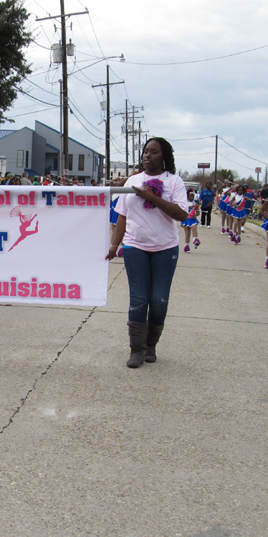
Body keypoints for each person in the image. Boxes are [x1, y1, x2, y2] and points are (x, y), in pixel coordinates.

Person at [106, 137, 188, 369]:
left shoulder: (174, 182)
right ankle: (136, 349)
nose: (147, 155)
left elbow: (182, 215)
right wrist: (114, 245)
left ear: (164, 156)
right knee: (139, 299)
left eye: (153, 152)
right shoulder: (132, 181)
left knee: (158, 300)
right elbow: (122, 215)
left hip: (165, 249)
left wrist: (151, 197)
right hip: (134, 247)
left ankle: (151, 345)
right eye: (145, 151)